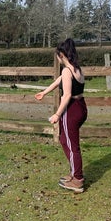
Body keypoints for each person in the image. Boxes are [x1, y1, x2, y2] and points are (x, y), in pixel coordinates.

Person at [35, 38, 88, 193]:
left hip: (72, 109)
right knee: (65, 140)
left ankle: (77, 180)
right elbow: (59, 81)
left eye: (58, 55)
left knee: (72, 146)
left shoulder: (66, 70)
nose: (57, 58)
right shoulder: (76, 68)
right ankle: (74, 173)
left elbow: (66, 95)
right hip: (81, 107)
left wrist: (57, 114)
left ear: (62, 54)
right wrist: (44, 92)